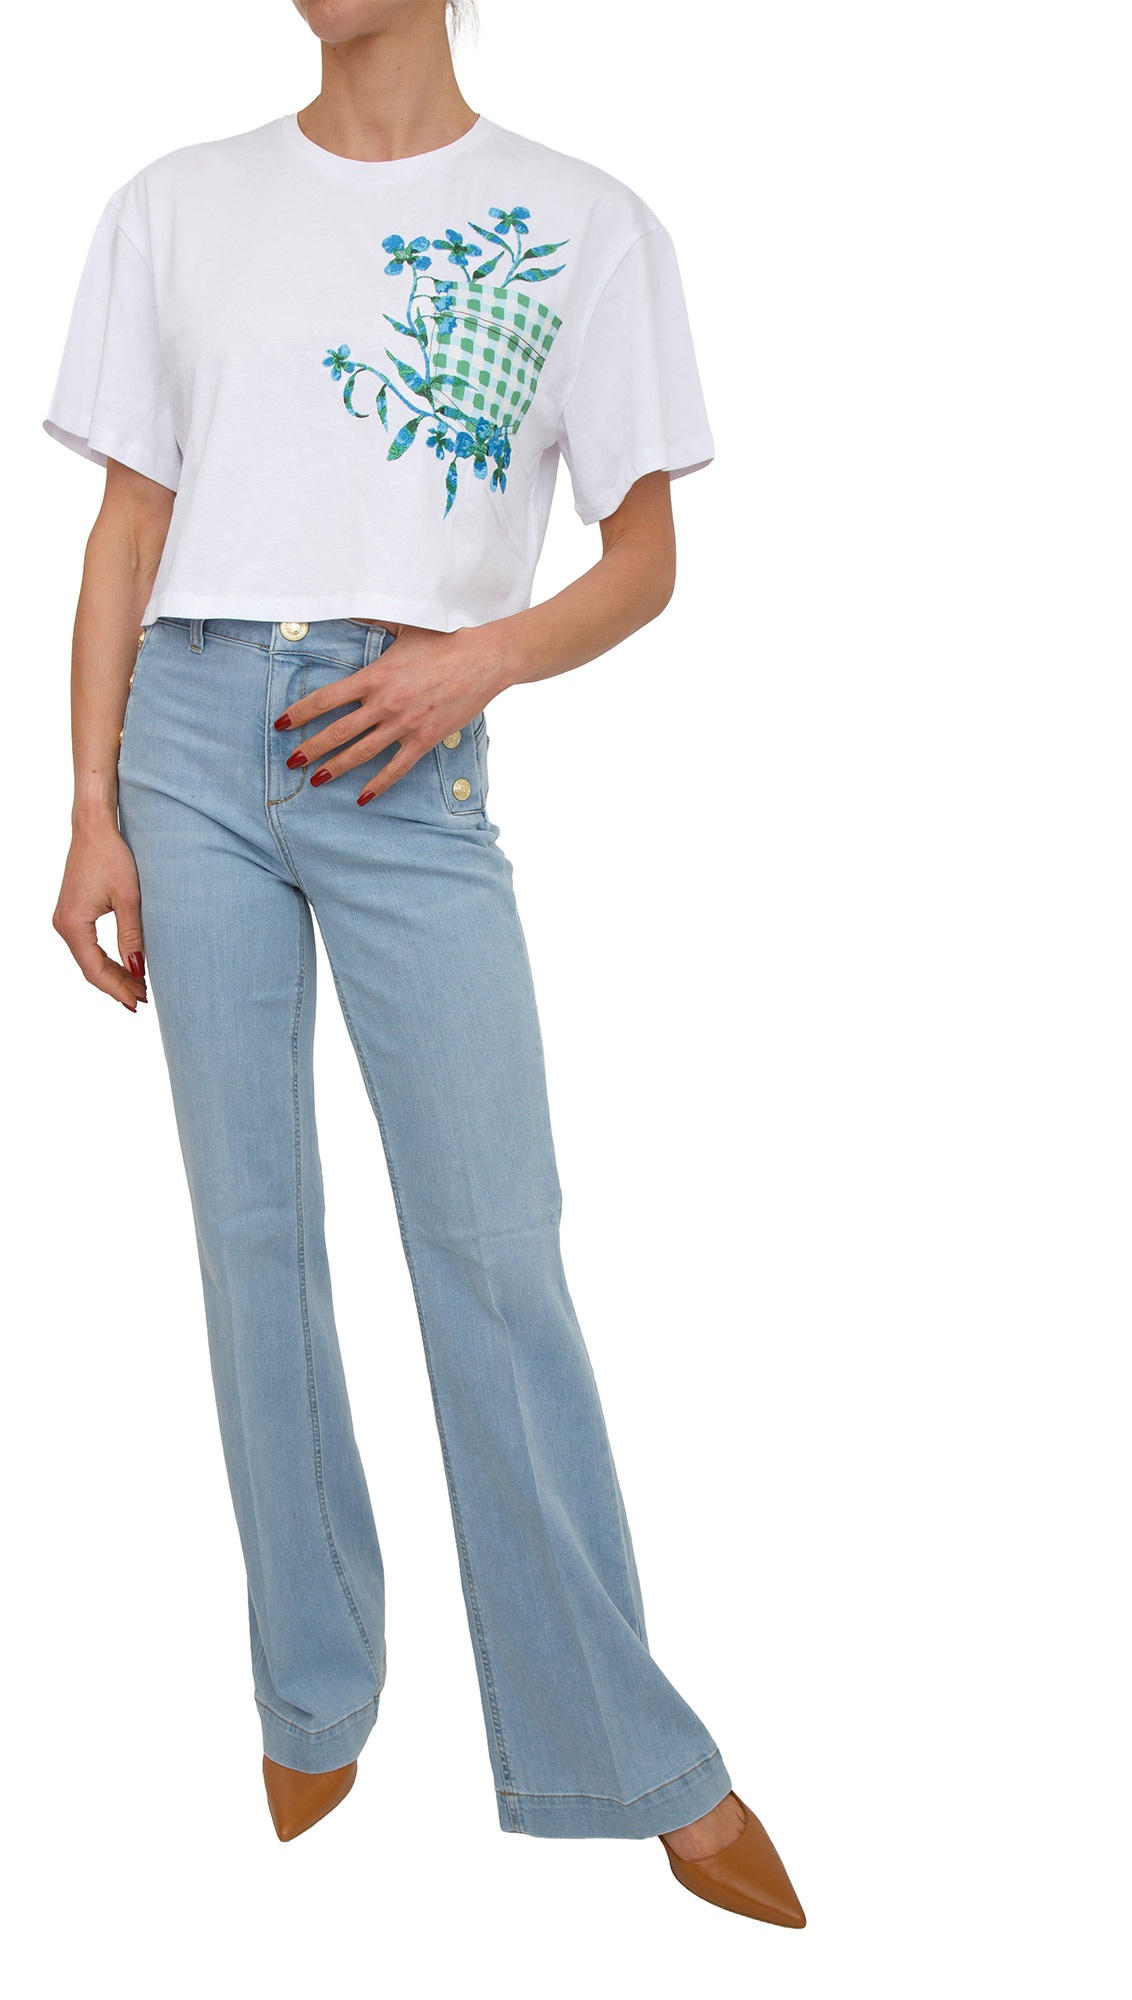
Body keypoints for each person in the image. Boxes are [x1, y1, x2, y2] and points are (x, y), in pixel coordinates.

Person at [44, 0, 804, 1927]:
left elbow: (644, 557)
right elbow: (128, 527)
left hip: (410, 750)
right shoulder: (174, 204)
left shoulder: (588, 222)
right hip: (189, 737)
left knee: (492, 1250)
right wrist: (89, 807)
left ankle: (618, 1749)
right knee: (253, 1240)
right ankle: (313, 1685)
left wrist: (480, 661)